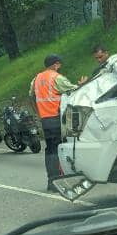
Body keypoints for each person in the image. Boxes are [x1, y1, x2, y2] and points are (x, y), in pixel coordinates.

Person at [30, 54, 78, 191]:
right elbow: (73, 90)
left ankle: (51, 180)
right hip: (57, 118)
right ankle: (58, 181)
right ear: (56, 64)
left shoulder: (37, 78)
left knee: (50, 150)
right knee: (59, 149)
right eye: (59, 65)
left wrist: (39, 113)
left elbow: (31, 96)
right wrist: (81, 84)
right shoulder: (56, 77)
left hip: (45, 119)